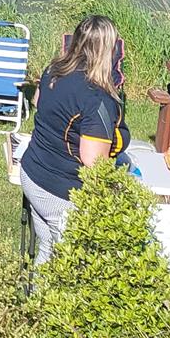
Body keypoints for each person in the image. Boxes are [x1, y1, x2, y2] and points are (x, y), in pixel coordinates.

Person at [18, 14, 128, 263]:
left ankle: (37, 288)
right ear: (108, 51)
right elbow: (94, 162)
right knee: (70, 261)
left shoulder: (53, 71)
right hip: (60, 192)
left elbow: (37, 102)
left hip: (32, 172)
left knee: (48, 246)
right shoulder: (97, 98)